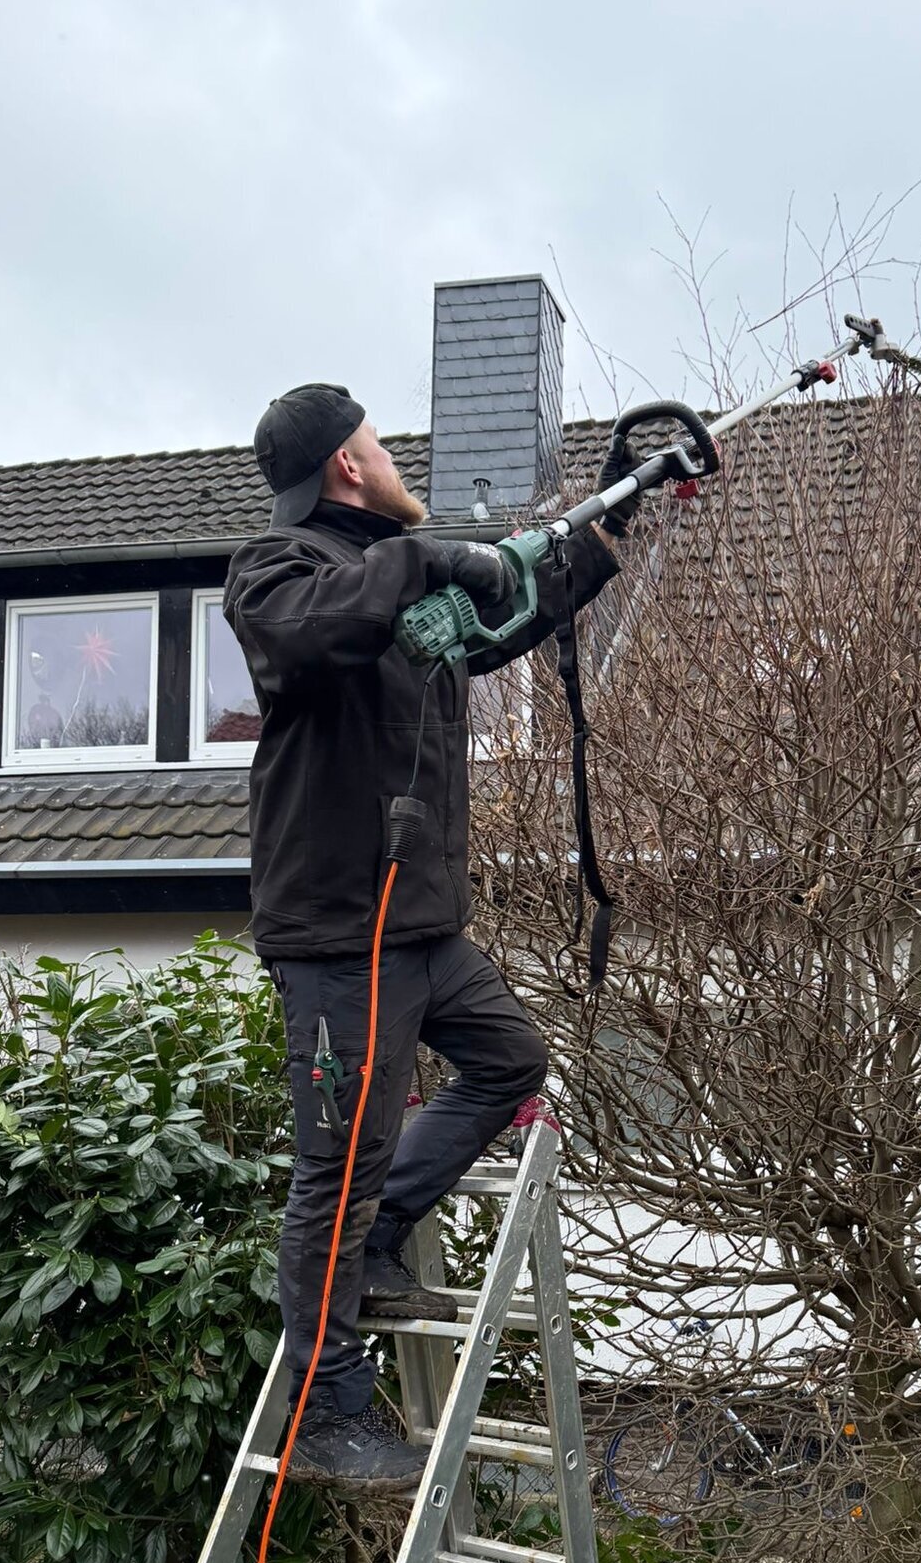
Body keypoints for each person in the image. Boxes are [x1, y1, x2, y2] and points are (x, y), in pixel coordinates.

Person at [223, 382, 637, 1491]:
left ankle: (374, 1243)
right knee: (336, 1161)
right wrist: (440, 555)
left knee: (509, 1058)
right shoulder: (281, 573)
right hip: (335, 933)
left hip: (418, 923)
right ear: (346, 467)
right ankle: (325, 1409)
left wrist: (594, 541)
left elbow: (496, 621)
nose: (396, 459)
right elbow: (323, 630)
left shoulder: (400, 592)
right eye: (380, 443)